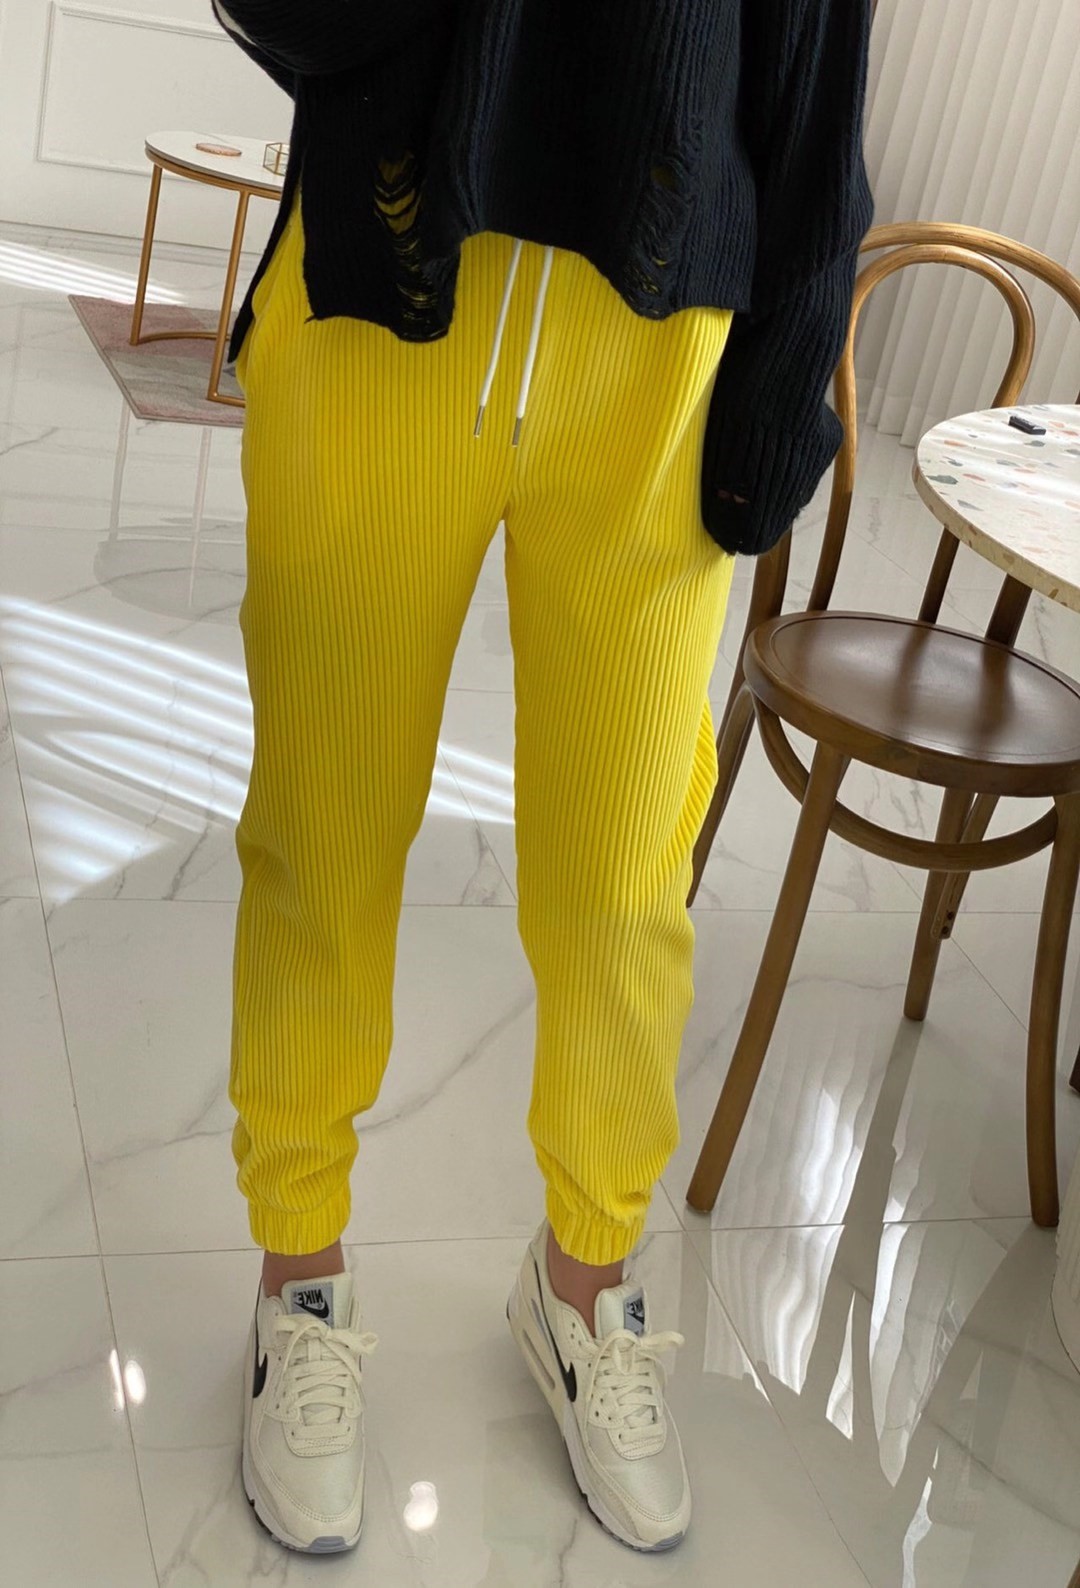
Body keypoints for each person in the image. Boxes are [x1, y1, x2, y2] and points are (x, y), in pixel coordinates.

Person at [211, 0, 873, 1558]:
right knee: (322, 829)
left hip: (658, 349)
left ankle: (589, 1285)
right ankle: (300, 1275)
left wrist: (784, 389)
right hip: (387, 282)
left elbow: (819, 66)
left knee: (622, 878)